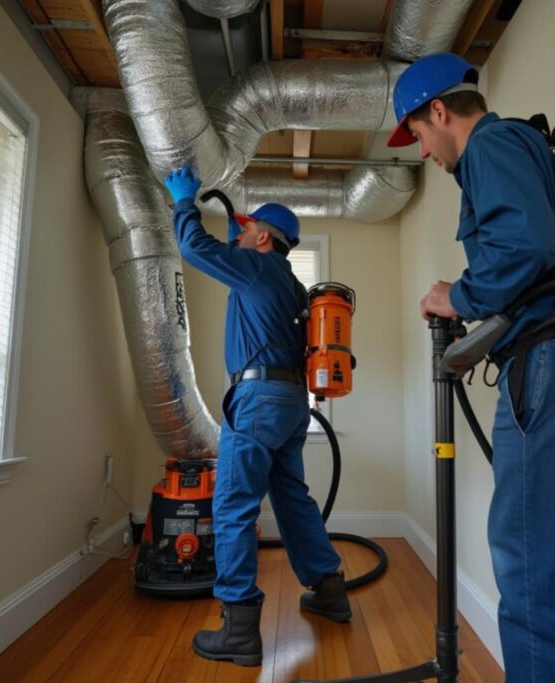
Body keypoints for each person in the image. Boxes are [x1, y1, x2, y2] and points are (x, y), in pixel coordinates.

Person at [388, 53, 555, 682]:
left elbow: (527, 244)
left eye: (415, 132)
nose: (420, 151)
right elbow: (542, 265)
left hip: (552, 366)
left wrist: (457, 296)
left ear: (438, 111)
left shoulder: (492, 144)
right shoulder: (523, 149)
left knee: (531, 582)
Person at [163, 166, 352, 667]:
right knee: (292, 500)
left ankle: (240, 628)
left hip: (259, 400)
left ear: (263, 236)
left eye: (244, 229)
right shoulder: (287, 282)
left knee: (232, 505)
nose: (238, 234)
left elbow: (194, 248)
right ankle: (329, 590)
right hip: (292, 405)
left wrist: (184, 204)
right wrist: (236, 239)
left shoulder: (258, 267)